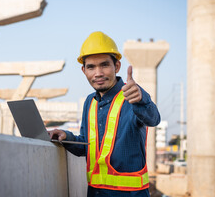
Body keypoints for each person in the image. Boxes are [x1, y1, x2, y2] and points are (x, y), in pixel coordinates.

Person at [48, 31, 160, 197]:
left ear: (117, 66)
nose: (98, 73)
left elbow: (153, 118)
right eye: (91, 67)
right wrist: (66, 136)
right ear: (83, 70)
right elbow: (88, 145)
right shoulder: (90, 102)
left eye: (104, 65)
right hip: (96, 193)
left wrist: (141, 99)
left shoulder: (132, 96)